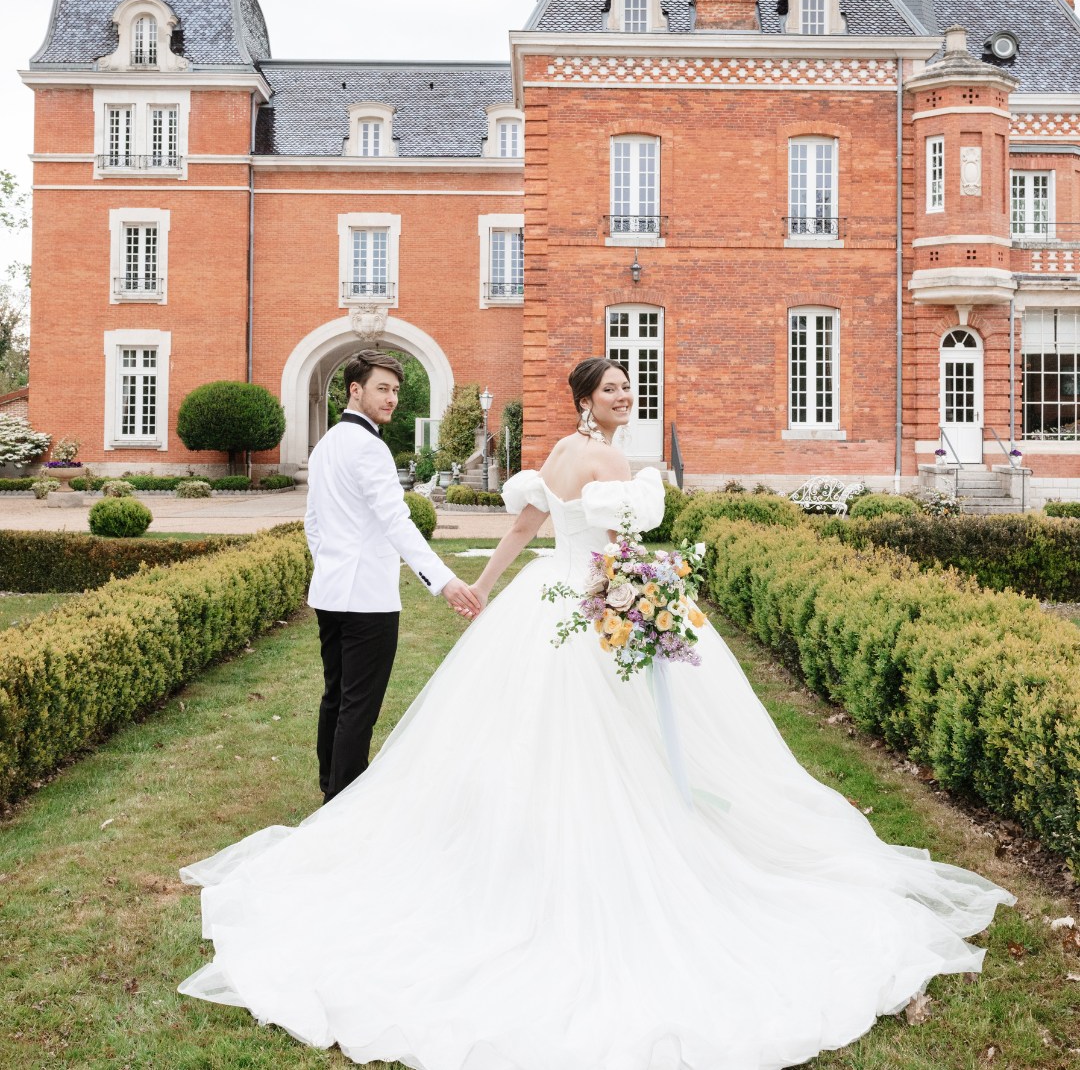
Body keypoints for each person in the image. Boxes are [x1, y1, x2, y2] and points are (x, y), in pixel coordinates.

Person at [180, 356, 1013, 1069]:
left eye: (628, 386)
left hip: (591, 598)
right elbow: (569, 538)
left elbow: (539, 531)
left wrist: (521, 588)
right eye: (613, 388)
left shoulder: (584, 454)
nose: (625, 394)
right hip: (593, 604)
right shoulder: (595, 460)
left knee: (603, 736)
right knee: (586, 737)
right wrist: (549, 588)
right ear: (586, 399)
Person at [303, 349, 480, 800]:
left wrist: (329, 565)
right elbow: (396, 522)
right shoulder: (370, 447)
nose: (393, 398)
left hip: (330, 591)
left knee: (336, 696)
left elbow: (313, 523)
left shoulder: (324, 445)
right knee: (357, 704)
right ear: (355, 390)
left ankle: (330, 786)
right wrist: (443, 580)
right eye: (383, 388)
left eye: (396, 390)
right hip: (367, 599)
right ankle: (341, 799)